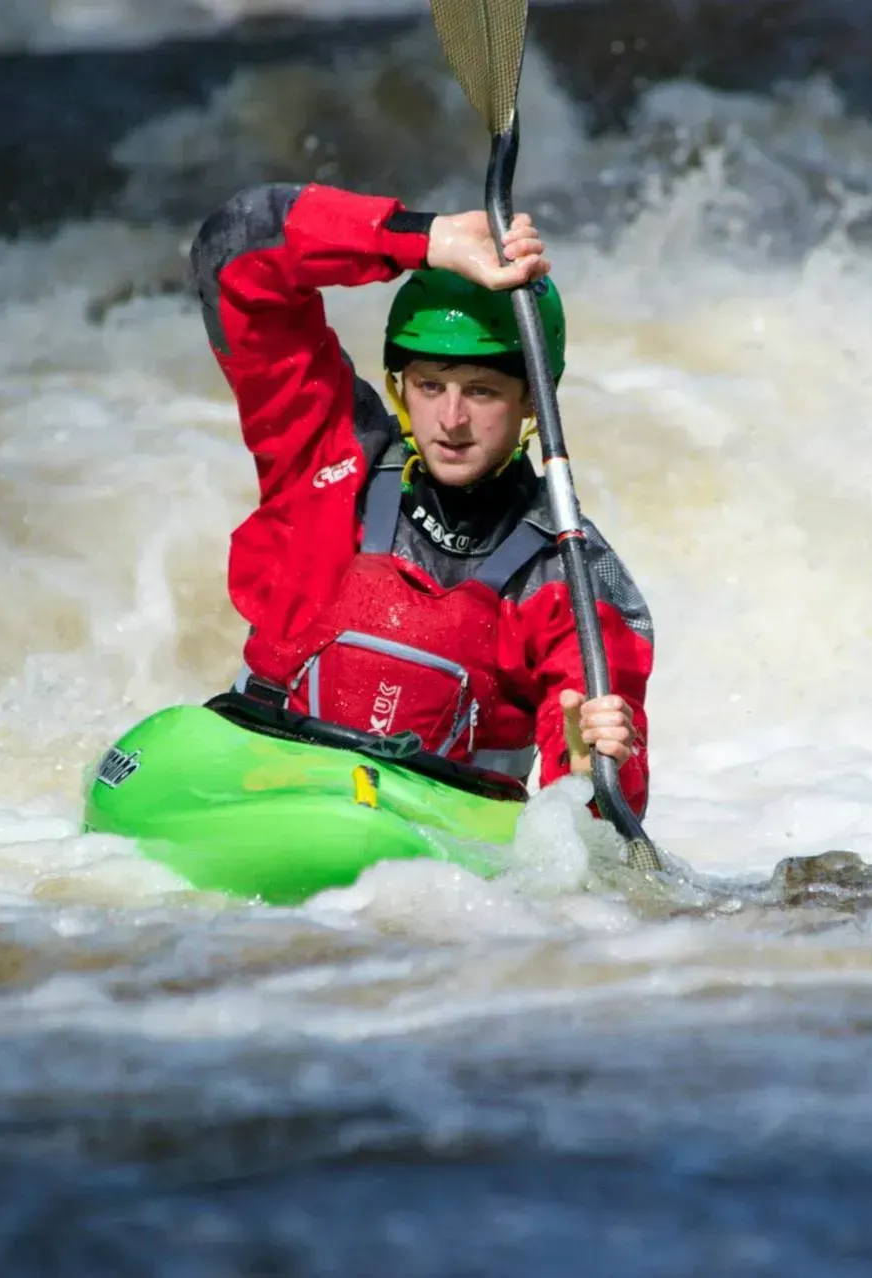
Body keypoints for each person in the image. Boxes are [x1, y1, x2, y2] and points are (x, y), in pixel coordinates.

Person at [188, 181, 654, 816]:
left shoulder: (573, 577)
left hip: (425, 856)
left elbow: (591, 839)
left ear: (531, 400)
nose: (451, 419)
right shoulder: (325, 458)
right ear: (398, 385)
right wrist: (424, 239)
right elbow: (235, 248)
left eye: (483, 391)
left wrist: (589, 768)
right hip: (256, 794)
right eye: (431, 385)